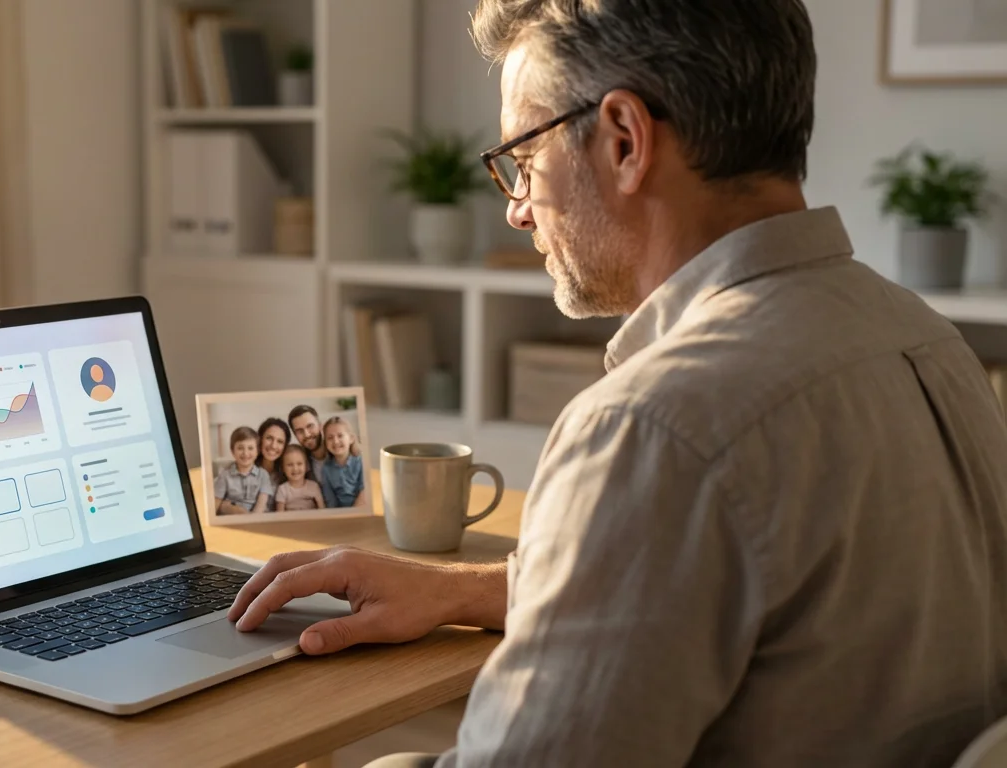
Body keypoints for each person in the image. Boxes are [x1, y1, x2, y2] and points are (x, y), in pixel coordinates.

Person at [228, 1, 1007, 766]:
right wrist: (461, 590)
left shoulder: (655, 428)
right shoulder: (926, 341)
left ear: (626, 141)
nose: (518, 213)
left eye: (523, 160)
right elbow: (744, 588)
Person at [212, 426, 271, 516]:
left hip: (256, 517)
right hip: (232, 518)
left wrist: (252, 520)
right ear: (232, 451)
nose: (245, 453)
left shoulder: (263, 475)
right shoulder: (225, 475)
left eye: (250, 448)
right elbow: (216, 502)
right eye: (240, 448)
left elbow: (261, 504)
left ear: (257, 452)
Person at [319, 416, 366, 509]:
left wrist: (353, 514)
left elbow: (364, 491)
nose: (335, 441)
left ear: (351, 438)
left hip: (361, 508)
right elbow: (330, 500)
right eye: (330, 438)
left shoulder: (361, 461)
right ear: (325, 443)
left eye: (340, 436)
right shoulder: (326, 469)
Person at [273, 443, 326, 512]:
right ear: (283, 468)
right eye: (290, 465)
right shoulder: (282, 489)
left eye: (299, 464)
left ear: (306, 466)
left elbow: (322, 510)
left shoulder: (314, 486)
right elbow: (280, 515)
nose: (295, 468)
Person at [255, 417, 291, 512]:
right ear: (260, 439)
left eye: (280, 441)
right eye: (269, 438)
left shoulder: (288, 474)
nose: (273, 446)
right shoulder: (245, 467)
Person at [287, 404, 328, 486]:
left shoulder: (338, 449)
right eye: (299, 431)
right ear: (295, 435)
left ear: (320, 426)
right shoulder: (299, 461)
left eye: (310, 426)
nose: (306, 434)